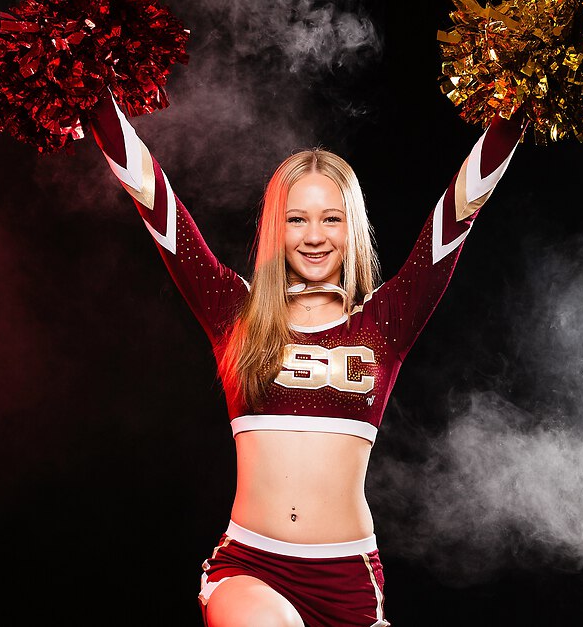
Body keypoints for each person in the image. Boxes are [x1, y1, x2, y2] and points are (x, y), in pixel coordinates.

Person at [89, 93, 524, 627]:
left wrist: (518, 103)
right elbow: (156, 202)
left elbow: (458, 213)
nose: (314, 237)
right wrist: (94, 95)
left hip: (347, 577)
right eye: (296, 219)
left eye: (330, 219)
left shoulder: (384, 320)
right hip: (250, 565)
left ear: (351, 227)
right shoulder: (235, 312)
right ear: (277, 227)